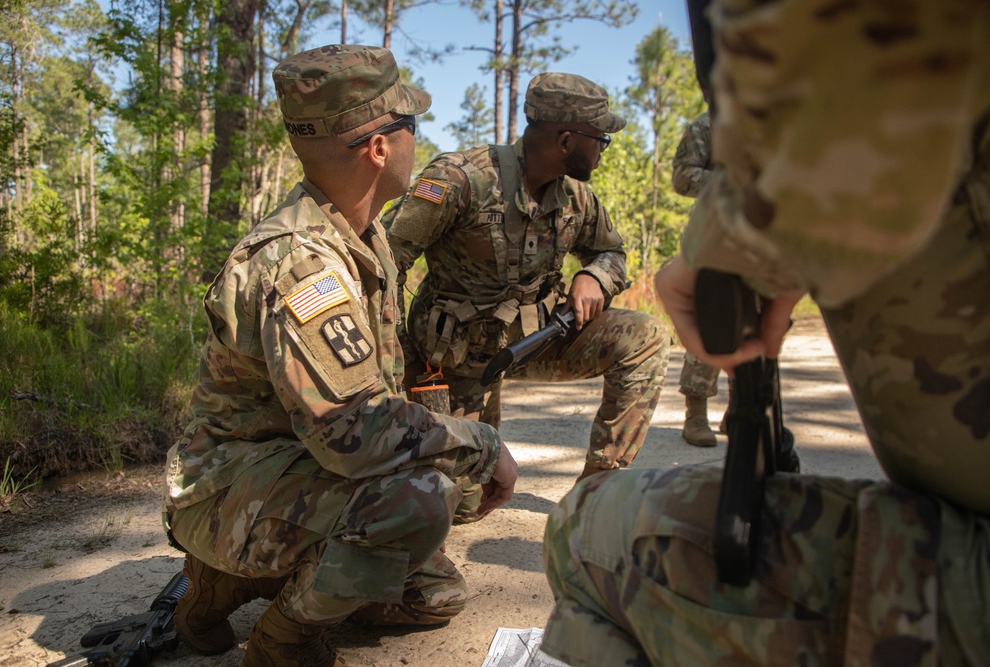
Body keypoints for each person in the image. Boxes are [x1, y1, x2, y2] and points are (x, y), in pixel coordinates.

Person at [541, 2, 990, 666]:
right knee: (720, 344)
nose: (603, 149)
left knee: (586, 535)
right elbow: (692, 174)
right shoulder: (696, 131)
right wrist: (746, 213)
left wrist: (747, 222)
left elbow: (864, 56)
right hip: (767, 238)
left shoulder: (589, 198)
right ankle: (699, 415)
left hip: (775, 229)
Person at [162, 45, 518, 667]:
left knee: (437, 592)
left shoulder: (363, 236)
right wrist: (483, 444)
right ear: (379, 147)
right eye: (411, 126)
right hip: (223, 491)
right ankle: (282, 640)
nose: (418, 142)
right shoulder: (302, 261)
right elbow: (354, 431)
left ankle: (236, 584)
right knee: (421, 499)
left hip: (290, 468)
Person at [382, 72, 671, 519]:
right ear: (567, 139)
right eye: (601, 140)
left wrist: (595, 274)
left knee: (646, 336)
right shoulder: (462, 180)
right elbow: (382, 262)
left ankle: (594, 496)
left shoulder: (578, 198)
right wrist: (404, 362)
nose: (602, 151)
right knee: (461, 507)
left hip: (537, 340)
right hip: (455, 359)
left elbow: (611, 250)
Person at [670, 110, 723, 447]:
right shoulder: (708, 125)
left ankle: (747, 406)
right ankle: (696, 413)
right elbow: (682, 177)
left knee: (766, 322)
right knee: (712, 318)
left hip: (766, 233)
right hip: (715, 232)